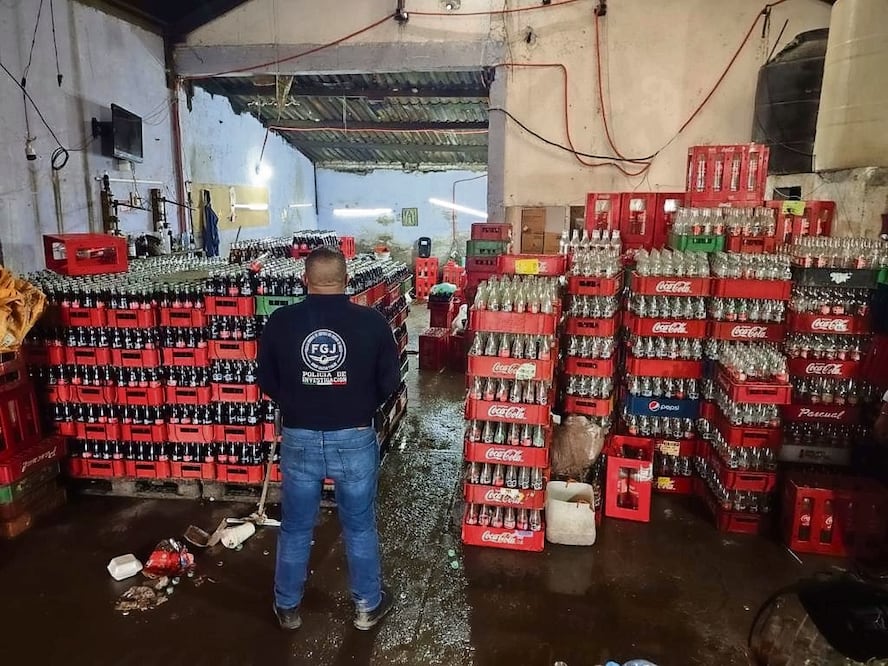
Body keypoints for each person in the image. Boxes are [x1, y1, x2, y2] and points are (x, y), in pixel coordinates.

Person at [257, 247, 401, 631]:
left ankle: (287, 606)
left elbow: (267, 381)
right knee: (358, 525)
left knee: (296, 526)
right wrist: (359, 404)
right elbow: (391, 382)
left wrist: (298, 402)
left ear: (305, 279)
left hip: (299, 437)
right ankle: (368, 606)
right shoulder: (371, 323)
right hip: (354, 436)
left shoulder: (281, 321)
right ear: (346, 279)